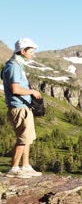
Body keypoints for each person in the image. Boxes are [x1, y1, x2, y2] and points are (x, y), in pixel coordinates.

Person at [2, 38, 43, 178]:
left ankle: (25, 166)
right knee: (22, 138)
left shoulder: (18, 65)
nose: (33, 54)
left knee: (28, 138)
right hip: (19, 107)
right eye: (31, 51)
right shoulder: (13, 66)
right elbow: (15, 89)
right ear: (23, 51)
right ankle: (13, 169)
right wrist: (32, 92)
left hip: (24, 107)